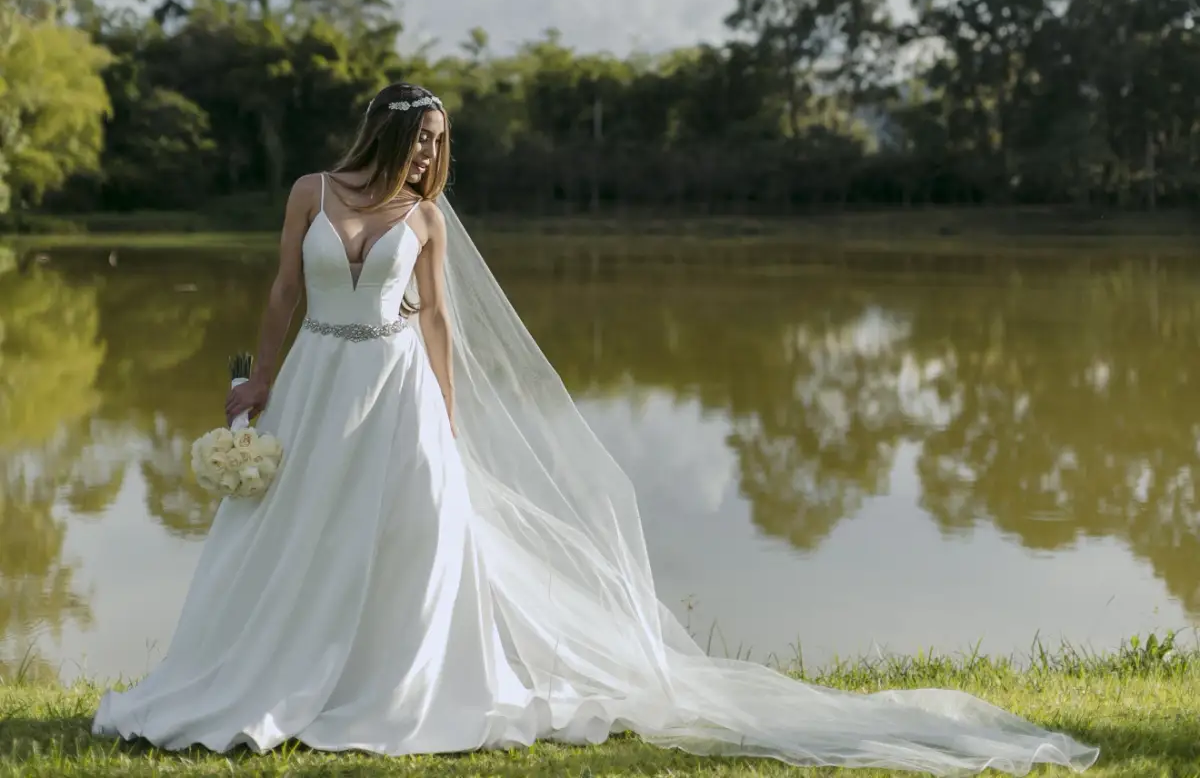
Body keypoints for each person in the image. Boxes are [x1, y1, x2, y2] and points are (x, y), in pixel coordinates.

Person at [93, 82, 1099, 773]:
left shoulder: (429, 221)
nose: (434, 159)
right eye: (424, 142)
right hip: (318, 384)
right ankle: (273, 673)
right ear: (385, 136)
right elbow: (281, 296)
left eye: (442, 147)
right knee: (294, 538)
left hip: (396, 391)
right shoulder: (309, 194)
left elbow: (439, 321)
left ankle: (393, 686)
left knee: (413, 544)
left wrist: (443, 422)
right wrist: (253, 388)